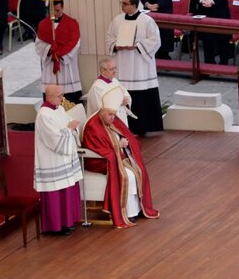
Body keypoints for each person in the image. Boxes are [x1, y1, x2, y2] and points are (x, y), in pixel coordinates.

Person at [81, 95, 159, 229]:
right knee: (127, 175)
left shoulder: (110, 118)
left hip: (118, 156)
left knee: (138, 171)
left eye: (114, 114)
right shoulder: (93, 126)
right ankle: (126, 212)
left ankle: (137, 209)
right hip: (100, 162)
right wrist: (118, 145)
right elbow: (99, 149)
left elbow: (124, 133)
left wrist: (126, 143)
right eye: (110, 115)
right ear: (102, 112)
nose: (113, 118)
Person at [105, 0, 163, 136]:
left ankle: (143, 128)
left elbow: (155, 40)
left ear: (134, 5)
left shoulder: (147, 21)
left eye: (125, 3)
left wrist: (137, 46)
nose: (122, 6)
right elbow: (109, 37)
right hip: (123, 63)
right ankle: (126, 128)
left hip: (140, 66)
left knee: (141, 97)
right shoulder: (117, 20)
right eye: (122, 3)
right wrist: (115, 46)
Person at [33, 84, 82, 236]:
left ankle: (68, 221)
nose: (63, 98)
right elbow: (54, 139)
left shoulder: (59, 109)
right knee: (56, 193)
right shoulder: (44, 115)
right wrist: (69, 129)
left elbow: (70, 124)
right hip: (52, 160)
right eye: (59, 96)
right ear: (49, 97)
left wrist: (72, 128)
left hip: (64, 159)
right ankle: (55, 227)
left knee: (67, 189)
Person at [34, 0, 81, 104]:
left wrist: (59, 54)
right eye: (52, 11)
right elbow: (39, 44)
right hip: (50, 65)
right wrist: (50, 49)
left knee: (69, 99)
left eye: (57, 10)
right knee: (51, 93)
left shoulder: (71, 23)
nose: (54, 13)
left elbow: (75, 43)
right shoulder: (43, 24)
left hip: (65, 65)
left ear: (62, 7)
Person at [86, 57, 133, 126]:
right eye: (111, 69)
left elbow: (126, 95)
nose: (114, 71)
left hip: (120, 118)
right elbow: (101, 109)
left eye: (115, 68)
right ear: (102, 70)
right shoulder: (97, 87)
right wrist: (120, 103)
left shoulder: (114, 81)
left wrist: (126, 100)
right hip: (104, 125)